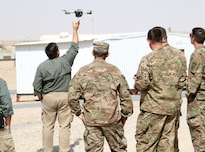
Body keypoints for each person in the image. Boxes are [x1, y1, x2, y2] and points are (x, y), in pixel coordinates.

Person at [68, 41, 133, 152]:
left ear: (93, 53)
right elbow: (125, 96)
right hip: (112, 119)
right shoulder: (115, 71)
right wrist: (124, 116)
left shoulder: (83, 72)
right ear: (108, 54)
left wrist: (79, 114)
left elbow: (71, 97)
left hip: (92, 120)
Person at [134, 27, 186, 152]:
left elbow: (142, 85)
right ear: (164, 38)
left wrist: (136, 81)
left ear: (149, 41)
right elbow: (183, 81)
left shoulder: (148, 59)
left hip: (153, 109)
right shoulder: (180, 56)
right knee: (167, 145)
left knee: (146, 144)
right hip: (172, 108)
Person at [33, 21, 80, 152]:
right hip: (65, 96)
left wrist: (41, 97)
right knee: (64, 126)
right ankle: (64, 150)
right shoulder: (65, 61)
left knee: (48, 126)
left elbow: (36, 85)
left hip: (48, 97)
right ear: (58, 52)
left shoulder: (42, 66)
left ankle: (47, 150)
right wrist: (75, 30)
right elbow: (75, 46)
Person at [156, 26, 187, 152]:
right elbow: (182, 81)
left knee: (156, 139)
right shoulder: (179, 55)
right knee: (171, 138)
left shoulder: (153, 56)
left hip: (156, 105)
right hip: (174, 103)